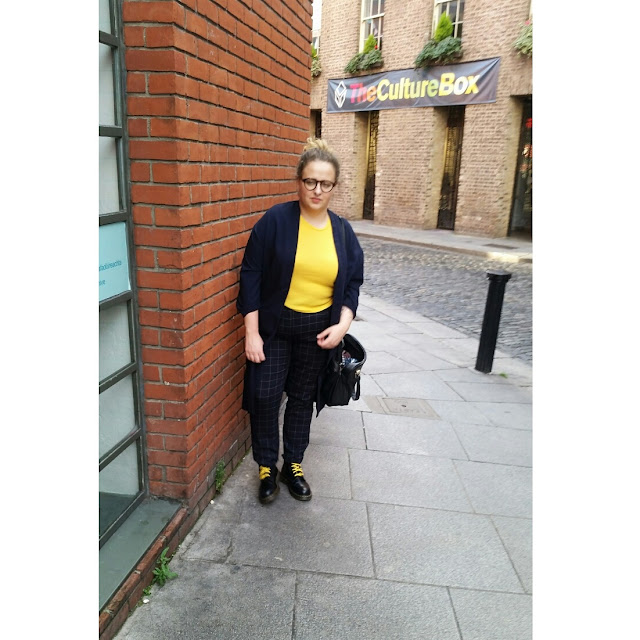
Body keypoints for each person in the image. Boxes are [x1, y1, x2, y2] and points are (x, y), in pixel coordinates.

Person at [236, 138, 364, 505]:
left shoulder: (342, 232)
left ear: (334, 187)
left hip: (318, 331)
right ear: (298, 181)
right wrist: (251, 333)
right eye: (310, 181)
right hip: (274, 328)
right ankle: (266, 466)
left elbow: (353, 283)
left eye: (325, 183)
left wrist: (342, 326)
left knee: (302, 398)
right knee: (264, 396)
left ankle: (292, 465)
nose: (317, 190)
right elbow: (251, 274)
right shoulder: (275, 221)